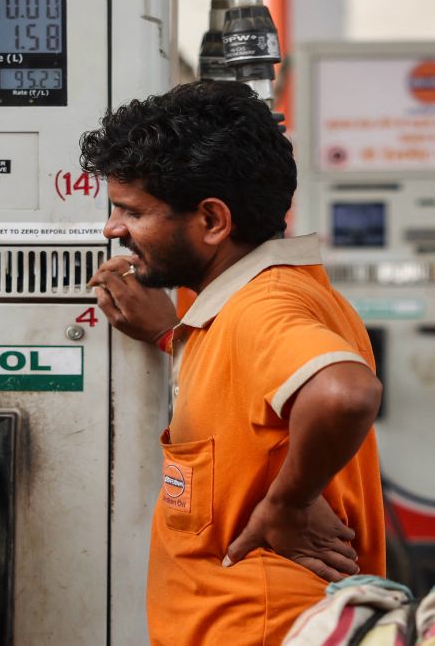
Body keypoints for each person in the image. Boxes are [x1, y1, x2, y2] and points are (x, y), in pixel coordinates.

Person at [81, 81, 385, 645]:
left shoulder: (262, 306)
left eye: (132, 211)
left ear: (213, 220)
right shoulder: (250, 299)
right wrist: (167, 333)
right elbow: (248, 399)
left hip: (261, 625)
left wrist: (287, 506)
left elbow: (344, 393)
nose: (113, 229)